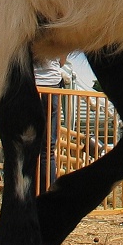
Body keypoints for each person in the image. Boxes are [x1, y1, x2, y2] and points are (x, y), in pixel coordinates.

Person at [34, 55, 67, 192]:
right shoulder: (59, 32)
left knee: (25, 145)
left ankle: (25, 195)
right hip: (51, 86)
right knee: (47, 148)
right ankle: (46, 194)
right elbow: (62, 59)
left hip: (29, 84)